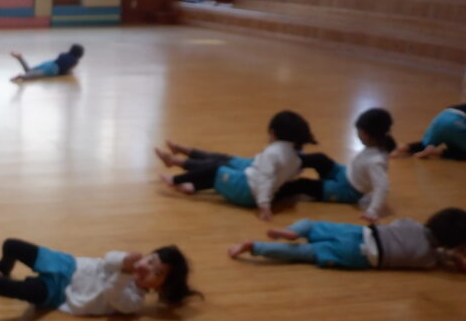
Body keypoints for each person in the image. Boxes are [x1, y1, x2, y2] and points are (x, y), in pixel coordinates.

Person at [0, 237, 197, 315]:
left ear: (159, 287)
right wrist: (124, 261)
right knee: (11, 245)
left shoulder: (134, 302)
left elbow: (112, 294)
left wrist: (125, 272)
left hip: (62, 294)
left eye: (157, 273)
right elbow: (109, 258)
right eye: (150, 260)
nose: (147, 268)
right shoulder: (127, 263)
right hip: (66, 264)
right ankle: (3, 266)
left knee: (20, 291)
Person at [159, 110, 318, 221]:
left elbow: (266, 179)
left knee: (216, 169)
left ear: (273, 133)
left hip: (246, 191)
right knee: (222, 161)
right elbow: (284, 176)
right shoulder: (297, 156)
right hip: (251, 176)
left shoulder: (273, 152)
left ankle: (175, 179)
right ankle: (188, 177)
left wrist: (264, 206)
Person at [228, 208, 466, 272]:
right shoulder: (427, 259)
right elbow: (438, 257)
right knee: (302, 253)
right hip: (360, 256)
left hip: (361, 233)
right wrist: (454, 256)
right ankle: (254, 247)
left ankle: (293, 230)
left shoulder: (410, 224)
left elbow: (396, 227)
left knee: (311, 225)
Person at [275, 108, 395, 222]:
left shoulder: (376, 161)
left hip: (348, 191)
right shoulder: (375, 145)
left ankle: (274, 192)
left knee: (304, 185)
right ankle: (283, 163)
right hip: (343, 173)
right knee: (320, 159)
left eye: (359, 131)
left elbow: (382, 187)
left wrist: (373, 211)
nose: (357, 134)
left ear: (368, 134)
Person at [393, 104, 466, 160]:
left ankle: (401, 147)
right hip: (458, 122)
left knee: (424, 144)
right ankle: (436, 152)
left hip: (442, 117)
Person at [10, 44, 84, 82]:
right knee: (33, 76)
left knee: (29, 70)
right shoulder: (75, 61)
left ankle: (20, 58)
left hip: (50, 63)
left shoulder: (63, 54)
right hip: (53, 69)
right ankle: (22, 76)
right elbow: (67, 71)